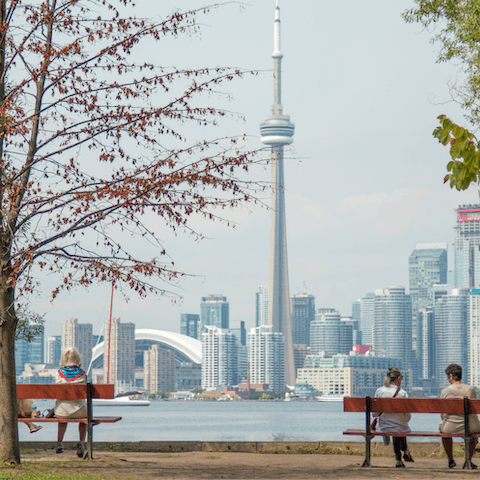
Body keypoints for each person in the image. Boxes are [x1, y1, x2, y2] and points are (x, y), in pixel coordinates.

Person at [439, 363, 480, 469]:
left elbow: (442, 414)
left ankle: (450, 459)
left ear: (451, 376)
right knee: (475, 434)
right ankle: (468, 460)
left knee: (443, 430)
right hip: (470, 426)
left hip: (450, 427)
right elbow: (474, 411)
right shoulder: (470, 389)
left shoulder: (445, 391)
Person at [374, 366, 414, 468]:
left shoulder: (379, 391)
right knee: (400, 428)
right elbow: (407, 416)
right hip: (399, 426)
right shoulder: (403, 393)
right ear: (398, 379)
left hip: (384, 425)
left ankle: (401, 458)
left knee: (397, 428)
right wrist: (404, 420)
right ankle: (404, 453)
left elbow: (375, 413)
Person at [54, 347, 88, 458]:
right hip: (80, 411)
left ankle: (59, 442)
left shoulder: (59, 373)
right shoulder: (82, 374)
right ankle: (81, 441)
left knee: (62, 416)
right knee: (84, 420)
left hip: (62, 411)